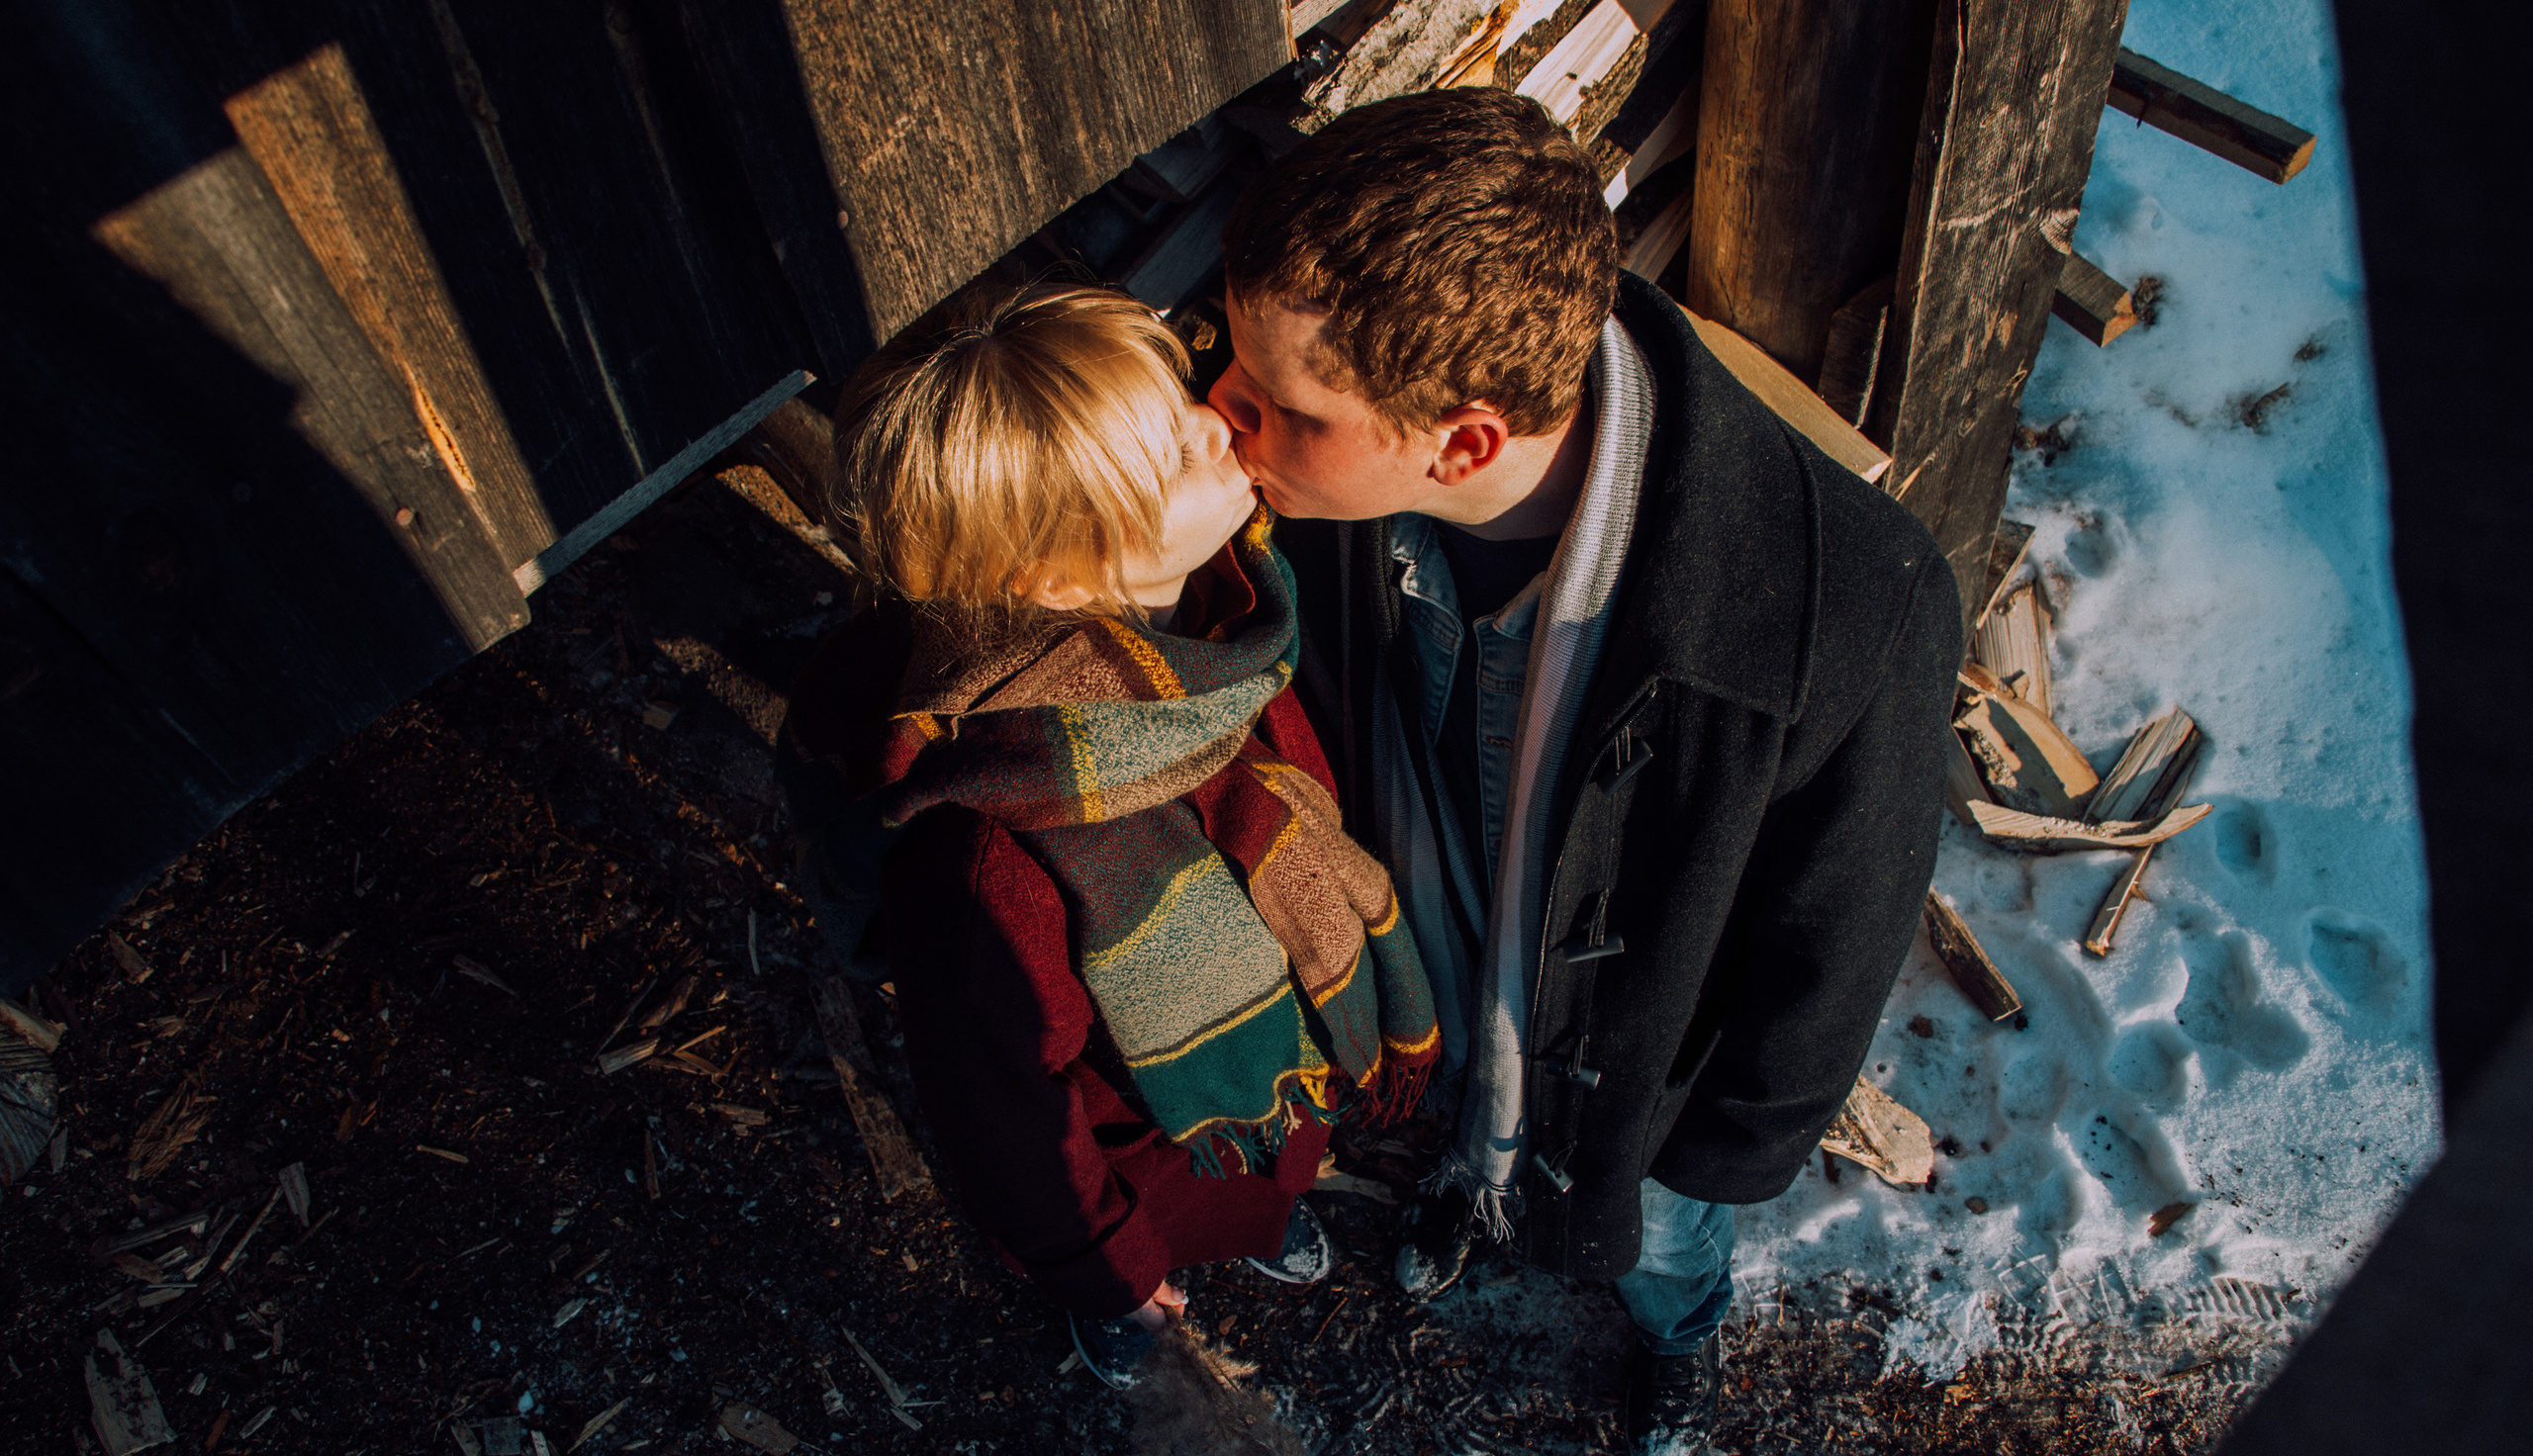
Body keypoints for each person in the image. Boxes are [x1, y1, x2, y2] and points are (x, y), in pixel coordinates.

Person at [1205, 89, 1961, 1453]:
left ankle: (1679, 1329)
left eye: (1280, 404)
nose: (1223, 412)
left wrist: (1714, 1159)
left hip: (1638, 1105)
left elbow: (1836, 940)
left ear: (1468, 443)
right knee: (1462, 1115)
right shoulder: (1327, 498)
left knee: (1658, 1250)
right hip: (1442, 988)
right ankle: (1475, 1174)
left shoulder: (1854, 604)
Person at [775, 283, 1441, 1390]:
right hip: (1143, 1146)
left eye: (1183, 401)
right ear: (1061, 576)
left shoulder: (1219, 626)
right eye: (1179, 451)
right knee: (1159, 1235)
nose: (1220, 422)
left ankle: (1261, 1211)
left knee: (1264, 1178)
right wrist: (1103, 1260)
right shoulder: (986, 855)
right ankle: (1126, 1305)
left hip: (1274, 1047)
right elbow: (1005, 1117)